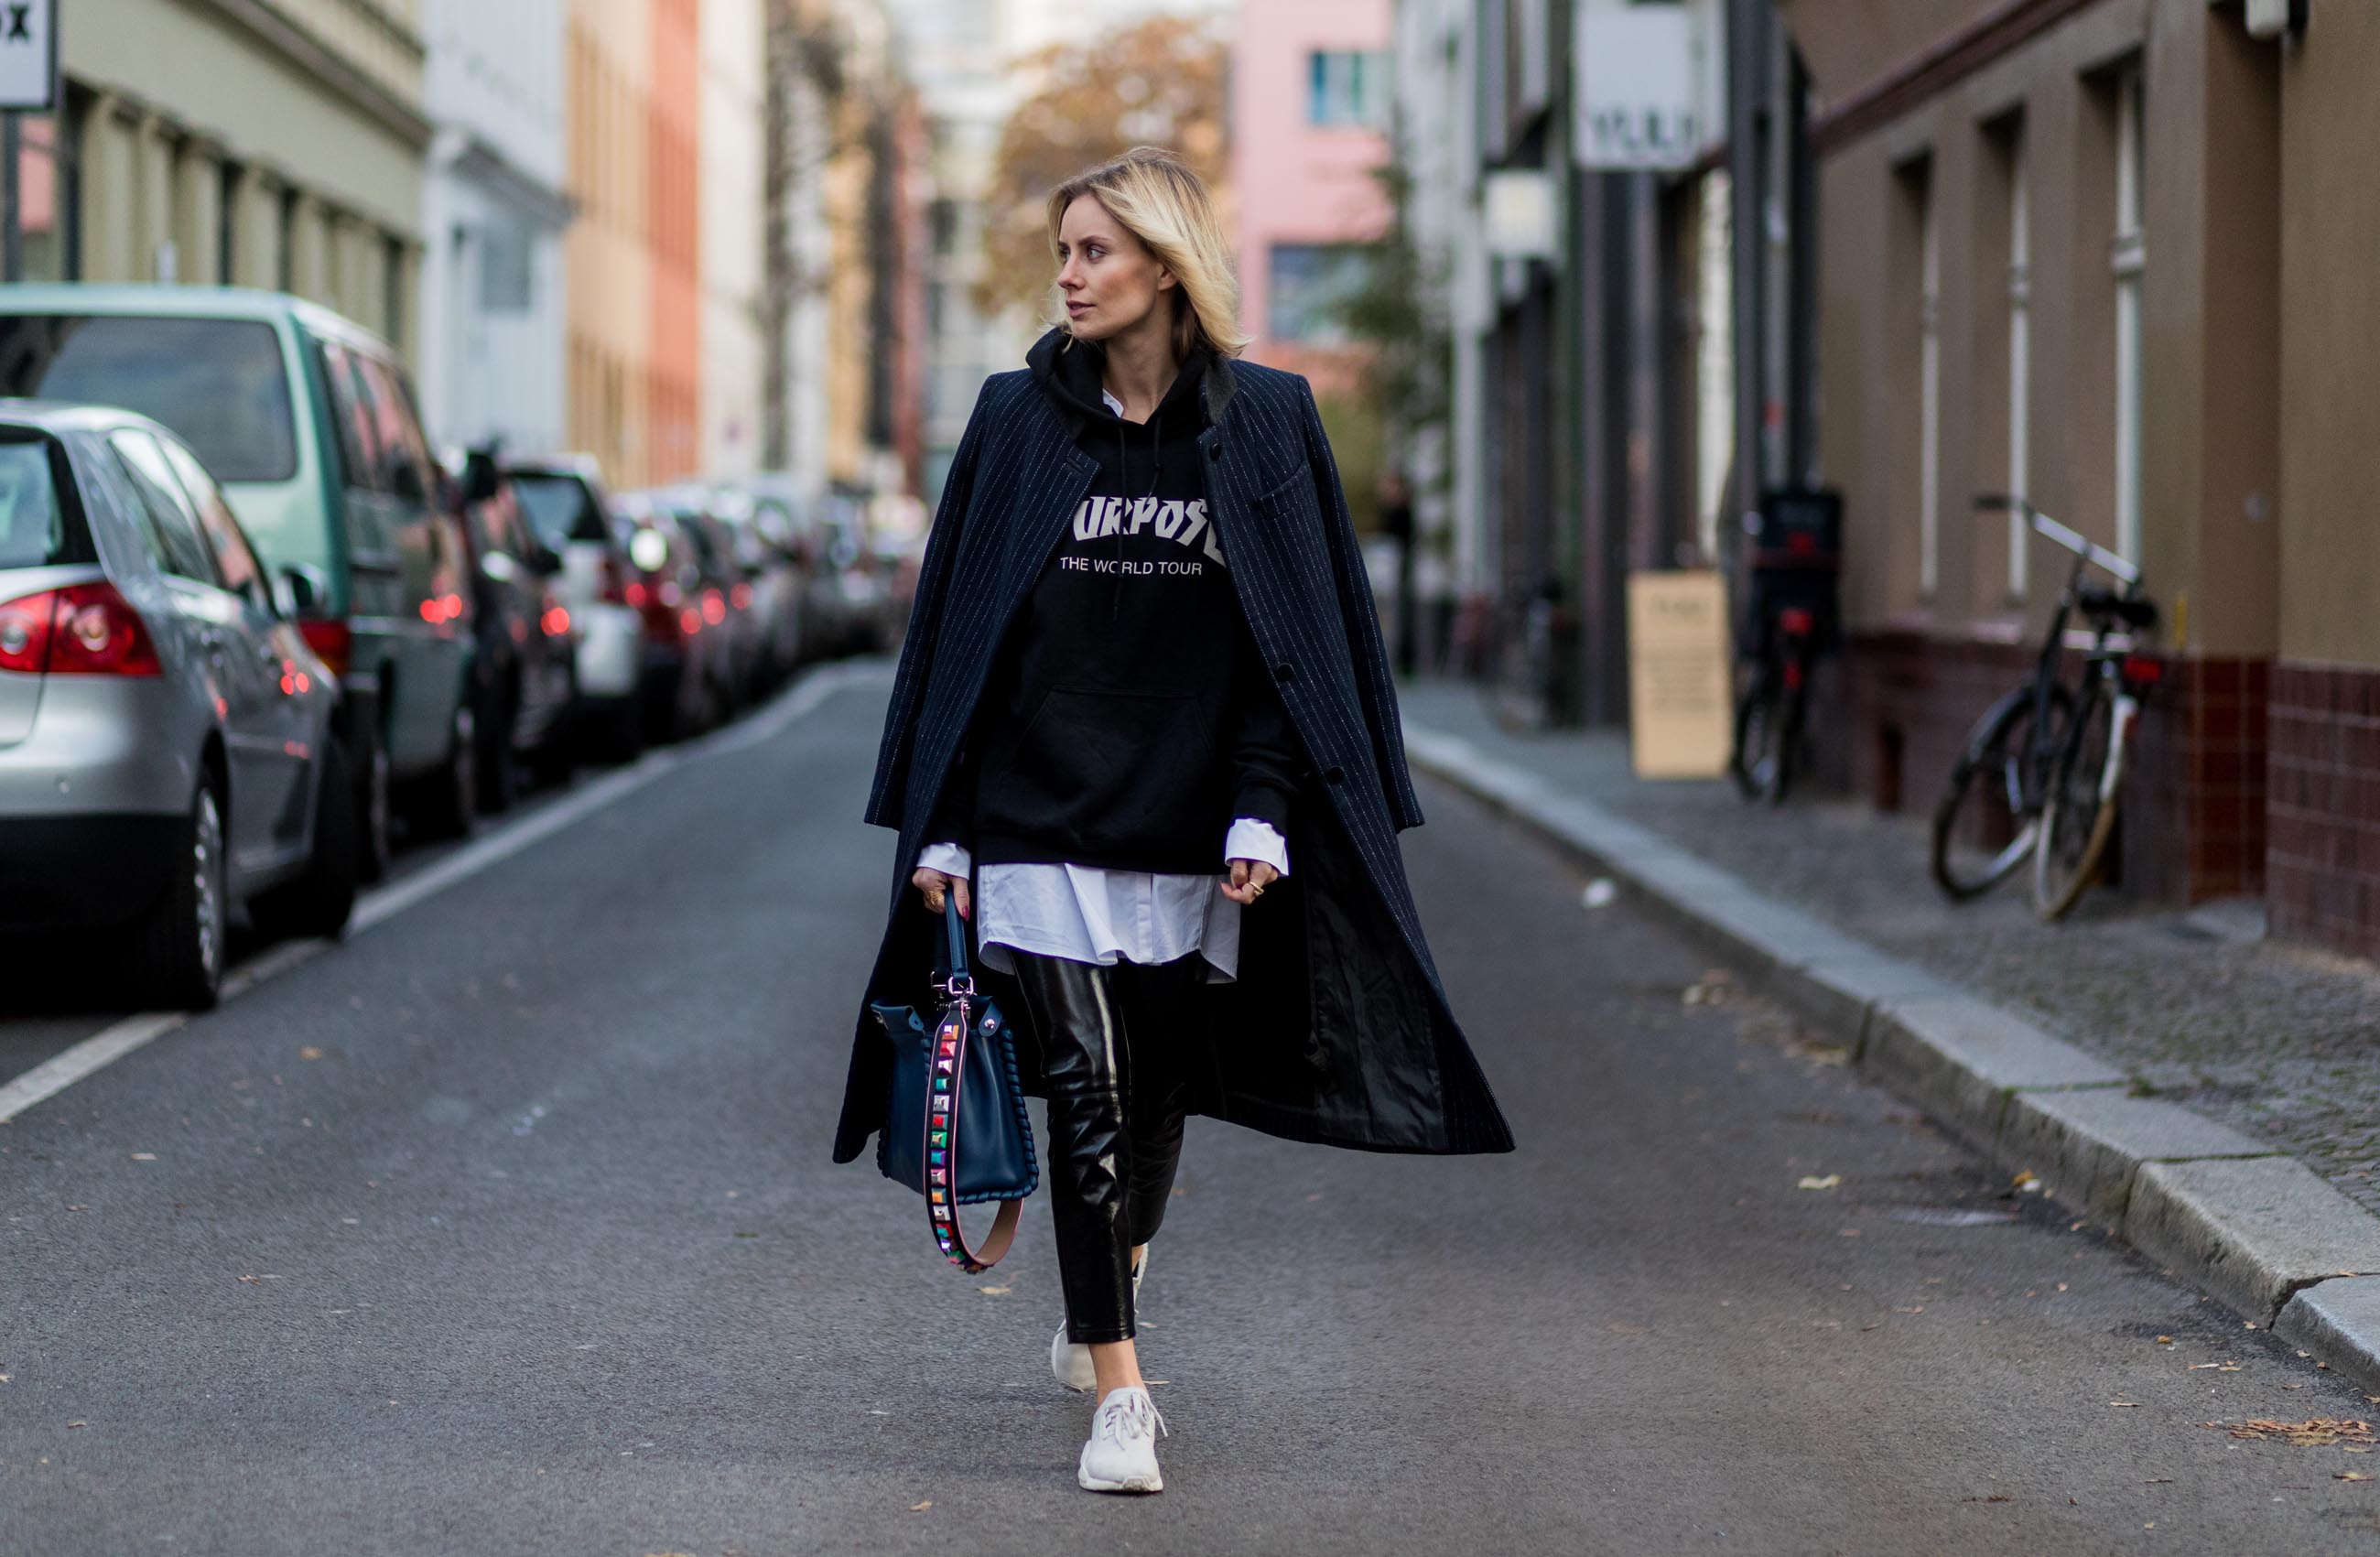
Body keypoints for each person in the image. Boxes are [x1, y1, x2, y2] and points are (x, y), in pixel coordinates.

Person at [838, 146, 1514, 1498]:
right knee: (1082, 1095)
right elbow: (971, 639)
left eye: (1095, 251)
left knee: (1155, 1096)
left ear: (1164, 266)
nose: (1069, 275)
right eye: (1064, 251)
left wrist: (1263, 813)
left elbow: (1289, 648)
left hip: (1189, 827)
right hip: (1036, 821)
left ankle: (1107, 1280)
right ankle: (1123, 1389)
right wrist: (949, 828)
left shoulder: (1262, 423)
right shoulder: (1016, 421)